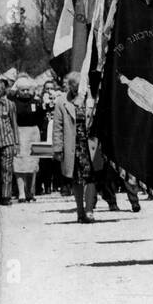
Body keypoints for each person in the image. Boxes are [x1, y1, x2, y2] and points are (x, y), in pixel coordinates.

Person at [52, 72, 102, 222]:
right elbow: (57, 127)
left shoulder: (92, 99)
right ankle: (80, 211)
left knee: (91, 177)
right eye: (75, 85)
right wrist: (57, 148)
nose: (79, 88)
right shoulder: (62, 102)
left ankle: (89, 210)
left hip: (90, 144)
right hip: (73, 145)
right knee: (76, 179)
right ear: (70, 86)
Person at [0, 78, 20, 206]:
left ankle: (6, 196)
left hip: (7, 141)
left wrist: (17, 143)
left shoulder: (10, 105)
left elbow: (14, 124)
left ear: (3, 91)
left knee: (7, 170)